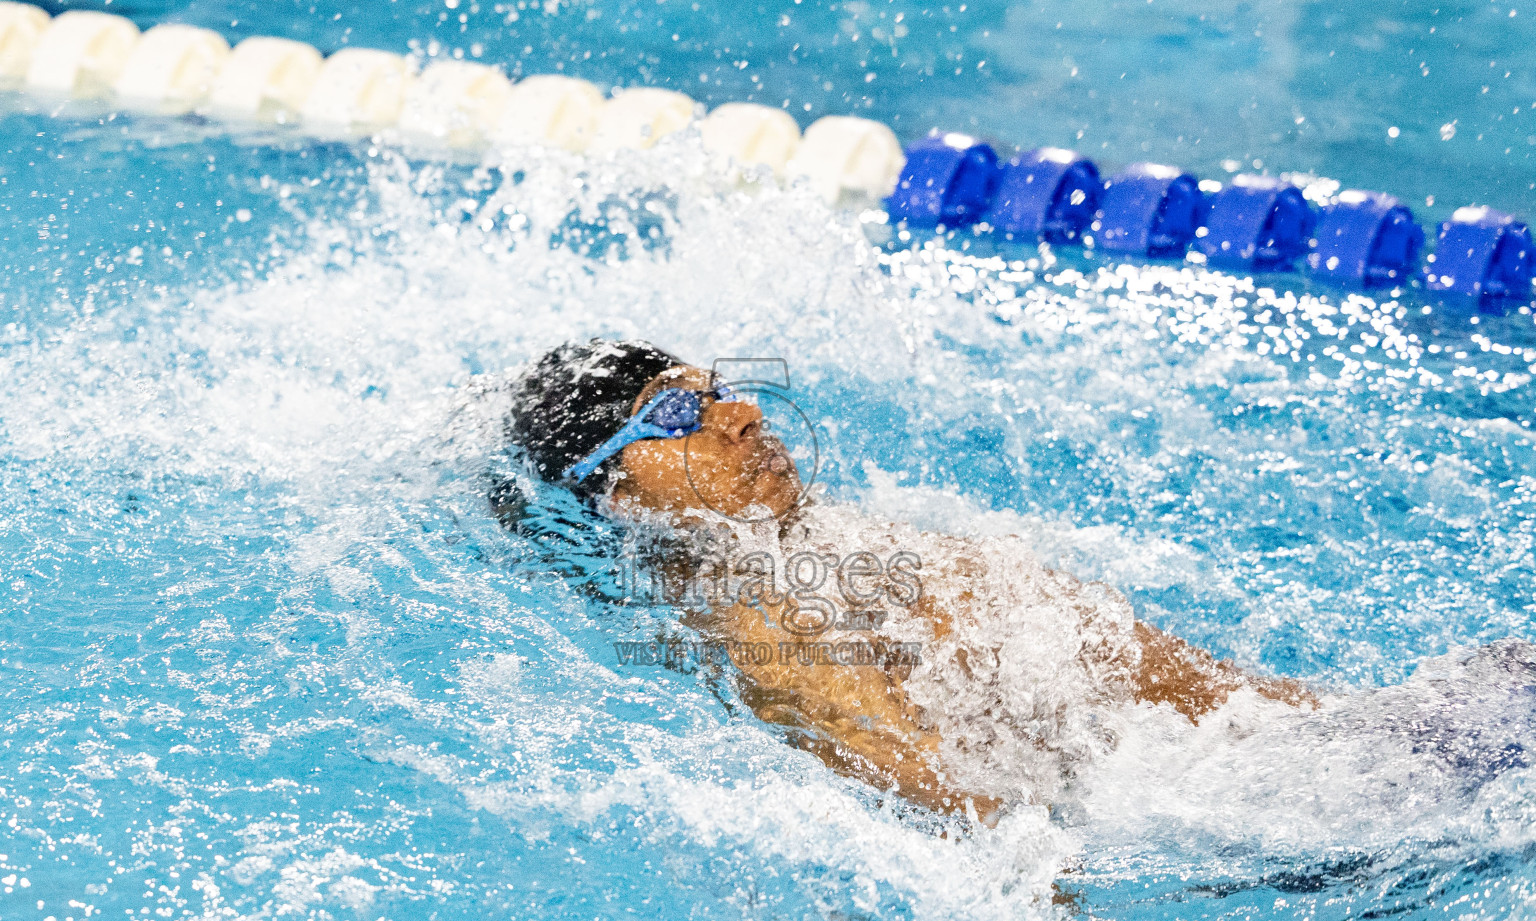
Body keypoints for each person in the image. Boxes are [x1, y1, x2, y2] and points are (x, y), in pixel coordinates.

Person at [500, 338, 1315, 825]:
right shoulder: (754, 619)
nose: (740, 412)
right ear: (615, 492)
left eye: (713, 392)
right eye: (679, 416)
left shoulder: (796, 547)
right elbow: (960, 807)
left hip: (1263, 755)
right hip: (1250, 807)